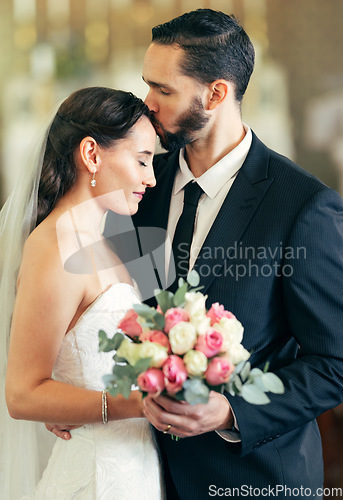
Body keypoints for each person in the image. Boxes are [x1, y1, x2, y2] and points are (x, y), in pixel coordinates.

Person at [132, 9, 343, 499]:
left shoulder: (304, 207)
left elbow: (333, 362)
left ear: (216, 94)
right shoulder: (141, 186)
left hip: (254, 479)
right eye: (147, 85)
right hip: (143, 473)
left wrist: (231, 413)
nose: (147, 105)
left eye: (163, 90)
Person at [0, 87, 165, 499]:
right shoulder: (55, 246)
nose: (151, 177)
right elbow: (22, 394)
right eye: (142, 160)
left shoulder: (100, 241)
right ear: (92, 154)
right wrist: (139, 403)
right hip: (94, 478)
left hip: (134, 469)